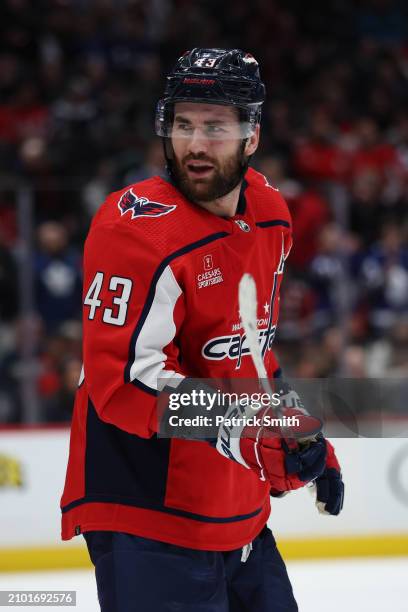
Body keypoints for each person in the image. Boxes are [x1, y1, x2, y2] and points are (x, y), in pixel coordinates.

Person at [61, 48, 344, 611]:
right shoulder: (134, 229)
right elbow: (122, 383)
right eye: (183, 124)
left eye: (215, 127)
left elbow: (249, 354)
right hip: (149, 517)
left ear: (252, 135)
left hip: (236, 511)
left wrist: (300, 438)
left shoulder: (270, 215)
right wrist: (252, 436)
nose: (194, 144)